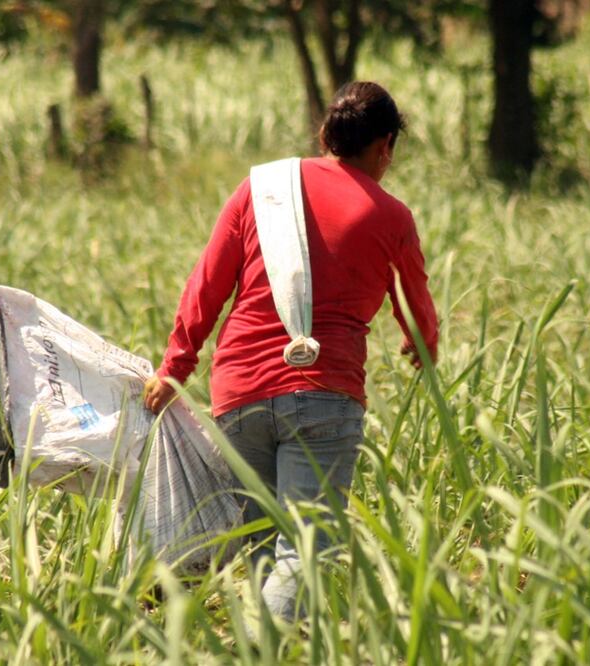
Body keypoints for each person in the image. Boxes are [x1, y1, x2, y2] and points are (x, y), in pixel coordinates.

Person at [144, 81, 438, 622]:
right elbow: (417, 310)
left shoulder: (261, 188)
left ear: (326, 133)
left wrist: (174, 369)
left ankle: (262, 645)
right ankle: (267, 650)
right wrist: (422, 344)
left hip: (239, 394)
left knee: (264, 551)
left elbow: (206, 285)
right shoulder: (391, 217)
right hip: (324, 396)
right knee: (304, 553)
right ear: (385, 145)